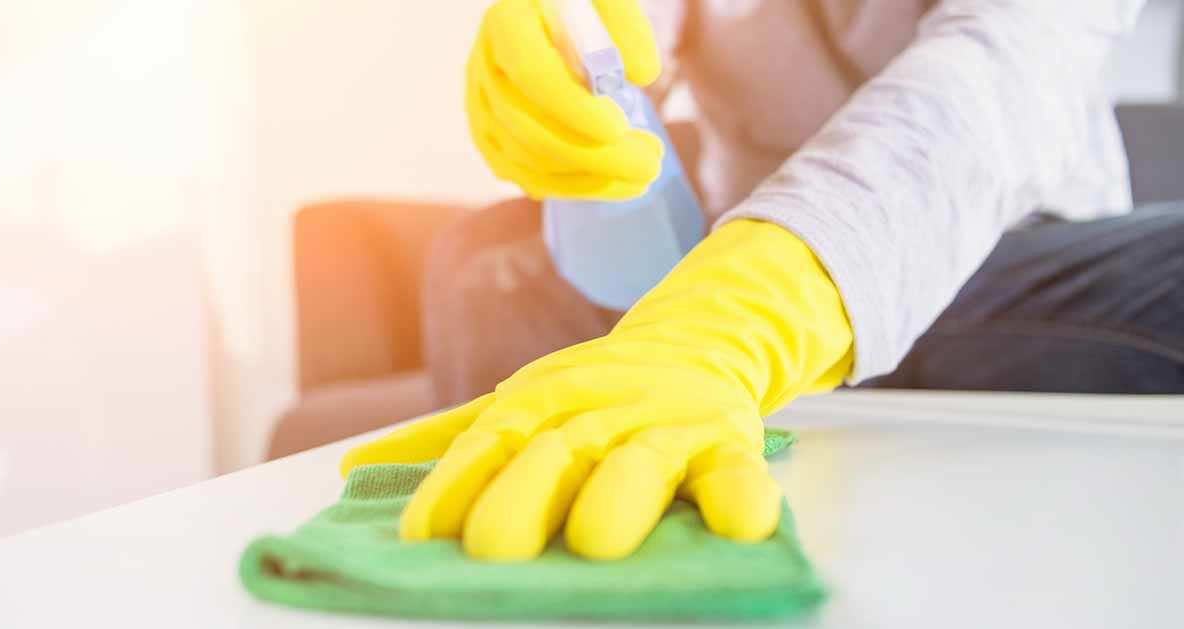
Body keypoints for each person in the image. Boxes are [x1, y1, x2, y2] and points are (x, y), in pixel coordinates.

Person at [273, 0, 1183, 560]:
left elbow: (996, 77)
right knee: (488, 260)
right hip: (712, 259)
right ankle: (503, 533)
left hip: (1011, 261)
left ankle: (699, 385)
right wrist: (569, 52)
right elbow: (635, 27)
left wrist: (748, 311)